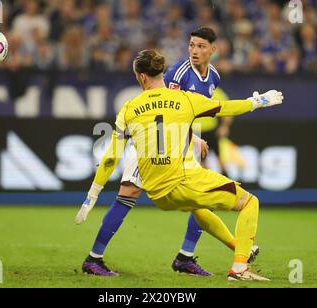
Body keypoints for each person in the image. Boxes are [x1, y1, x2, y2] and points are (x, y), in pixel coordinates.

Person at [83, 49, 283, 281]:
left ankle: (189, 256)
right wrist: (258, 101)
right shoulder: (185, 96)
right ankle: (239, 268)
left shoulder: (129, 107)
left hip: (159, 189)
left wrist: (92, 194)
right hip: (179, 175)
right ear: (162, 73)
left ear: (141, 76)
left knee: (196, 206)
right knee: (249, 202)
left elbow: (110, 157)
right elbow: (224, 108)